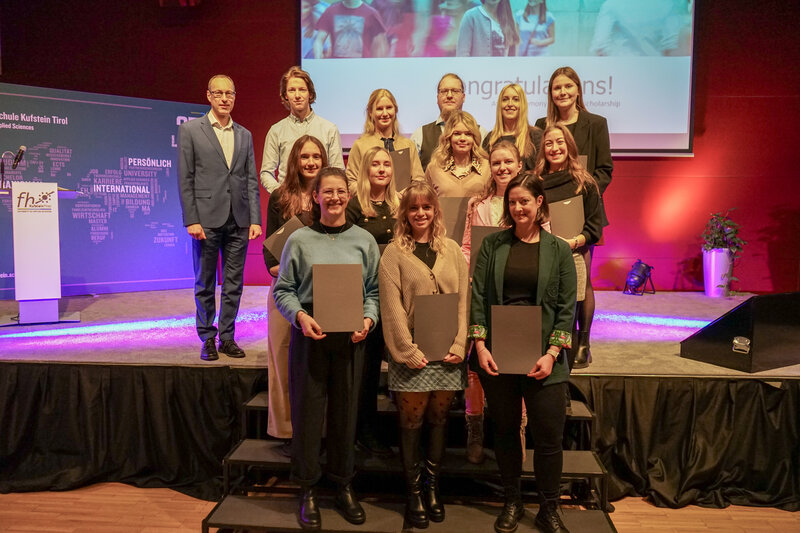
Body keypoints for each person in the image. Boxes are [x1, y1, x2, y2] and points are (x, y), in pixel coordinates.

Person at [273, 167, 380, 531]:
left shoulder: (364, 241)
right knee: (307, 415)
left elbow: (373, 293)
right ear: (315, 196)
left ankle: (343, 484)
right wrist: (300, 317)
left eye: (340, 192)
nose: (334, 198)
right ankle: (308, 489)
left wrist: (368, 320)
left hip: (351, 339)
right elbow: (283, 289)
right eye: (327, 192)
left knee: (346, 415)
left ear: (349, 196)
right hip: (310, 335)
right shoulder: (299, 240)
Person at [470, 173, 576, 533]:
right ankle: (511, 501)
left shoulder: (559, 249)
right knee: (505, 431)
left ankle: (549, 509)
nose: (518, 208)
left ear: (540, 203)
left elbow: (566, 308)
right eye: (512, 202)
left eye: (525, 201)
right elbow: (479, 297)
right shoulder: (492, 246)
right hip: (499, 355)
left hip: (544, 356)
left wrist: (551, 353)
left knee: (548, 437)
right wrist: (480, 345)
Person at [379, 181, 469, 529]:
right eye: (414, 208)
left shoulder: (451, 250)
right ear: (405, 213)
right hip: (412, 355)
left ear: (436, 211)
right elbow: (391, 308)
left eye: (426, 208)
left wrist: (460, 344)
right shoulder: (393, 253)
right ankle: (413, 492)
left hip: (447, 353)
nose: (420, 213)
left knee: (439, 421)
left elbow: (463, 302)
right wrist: (405, 349)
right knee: (412, 423)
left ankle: (434, 489)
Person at [178, 74, 262, 361]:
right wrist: (191, 218)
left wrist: (255, 218)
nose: (225, 98)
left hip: (238, 219)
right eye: (219, 93)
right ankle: (207, 337)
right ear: (209, 96)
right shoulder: (191, 130)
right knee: (204, 282)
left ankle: (227, 336)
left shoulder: (245, 134)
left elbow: (250, 178)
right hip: (205, 220)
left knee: (233, 283)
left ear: (235, 97)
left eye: (230, 93)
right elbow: (185, 178)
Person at [535, 66, 612, 368]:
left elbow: (605, 169)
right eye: (557, 88)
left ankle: (584, 341)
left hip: (583, 213)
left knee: (582, 279)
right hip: (550, 210)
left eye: (568, 86)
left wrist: (583, 194)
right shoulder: (542, 124)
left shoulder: (596, 123)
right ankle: (558, 338)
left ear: (578, 90)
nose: (562, 92)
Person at [263, 135, 328, 453]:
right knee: (282, 360)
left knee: (317, 367)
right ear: (295, 160)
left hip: (321, 294)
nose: (311, 162)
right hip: (285, 291)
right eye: (305, 156)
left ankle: (318, 430)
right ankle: (287, 432)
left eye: (317, 156)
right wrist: (297, 276)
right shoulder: (279, 197)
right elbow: (270, 261)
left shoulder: (329, 197)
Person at [460, 140, 522, 465]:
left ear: (519, 165)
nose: (502, 168)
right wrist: (465, 271)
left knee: (515, 362)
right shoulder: (478, 204)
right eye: (496, 162)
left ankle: (516, 430)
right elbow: (468, 245)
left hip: (516, 294)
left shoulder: (528, 201)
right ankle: (475, 427)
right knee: (475, 361)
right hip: (482, 290)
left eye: (507, 162)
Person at [345, 145, 400, 457]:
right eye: (376, 164)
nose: (381, 169)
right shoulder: (354, 207)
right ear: (366, 170)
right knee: (364, 372)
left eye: (387, 165)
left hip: (392, 297)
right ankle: (361, 431)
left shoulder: (398, 205)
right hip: (363, 297)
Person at [537, 124, 602, 372]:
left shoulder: (584, 183)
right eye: (549, 143)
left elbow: (594, 228)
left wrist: (573, 242)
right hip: (544, 252)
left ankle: (582, 344)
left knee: (574, 303)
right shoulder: (536, 182)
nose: (555, 148)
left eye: (560, 142)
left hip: (573, 250)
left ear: (570, 146)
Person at [260, 66, 344, 193]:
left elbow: (338, 171)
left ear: (310, 94)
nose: (297, 95)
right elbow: (266, 172)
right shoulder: (276, 131)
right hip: (287, 203)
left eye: (302, 90)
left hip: (320, 202)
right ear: (285, 95)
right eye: (292, 90)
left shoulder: (329, 129)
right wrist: (281, 194)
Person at [345, 88, 424, 193]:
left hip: (403, 206)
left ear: (395, 110)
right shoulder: (360, 145)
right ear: (370, 112)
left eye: (389, 108)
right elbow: (351, 182)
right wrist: (374, 195)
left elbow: (419, 181)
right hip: (370, 206)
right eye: (379, 109)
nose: (385, 113)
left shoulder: (408, 145)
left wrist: (406, 195)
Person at [411, 73, 488, 170]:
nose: (449, 95)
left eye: (455, 91)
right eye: (444, 91)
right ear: (437, 97)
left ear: (463, 97)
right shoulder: (420, 135)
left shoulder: (481, 132)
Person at [424, 110, 490, 198]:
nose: (462, 138)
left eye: (468, 134)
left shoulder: (487, 167)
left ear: (474, 138)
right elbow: (426, 202)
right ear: (449, 137)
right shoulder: (434, 168)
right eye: (457, 134)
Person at [482, 83, 543, 171]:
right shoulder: (490, 139)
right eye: (505, 99)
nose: (510, 104)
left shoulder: (535, 135)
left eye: (516, 99)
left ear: (522, 104)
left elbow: (541, 172)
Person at [589, 0, 682, 56]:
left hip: (619, 70)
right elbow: (671, 47)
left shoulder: (612, 4)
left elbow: (600, 45)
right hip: (655, 72)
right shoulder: (667, 5)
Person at [313, 0, 389, 58]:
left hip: (363, 67)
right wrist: (318, 57)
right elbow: (319, 40)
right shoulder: (330, 11)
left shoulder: (371, 13)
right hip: (337, 66)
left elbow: (380, 45)